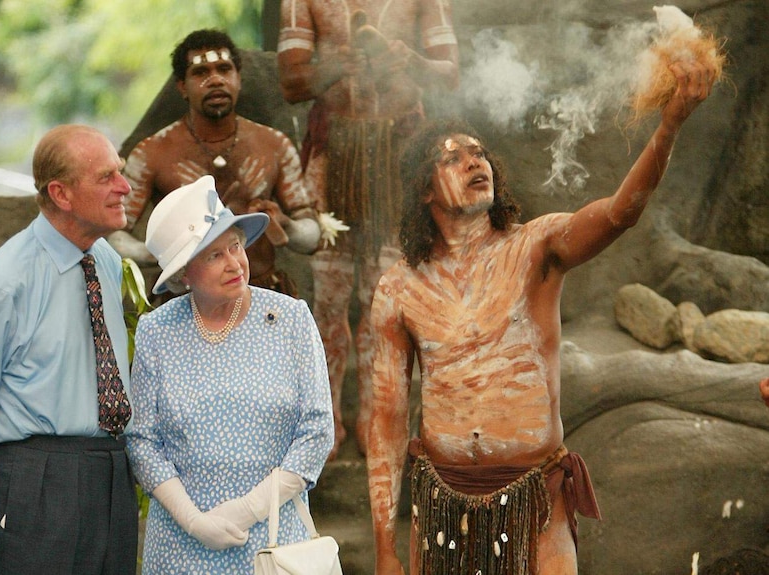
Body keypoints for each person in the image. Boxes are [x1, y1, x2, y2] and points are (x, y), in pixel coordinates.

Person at [366, 59, 717, 575]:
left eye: (479, 153)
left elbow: (621, 212)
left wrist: (668, 127)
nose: (472, 162)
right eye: (453, 158)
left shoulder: (537, 246)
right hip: (441, 508)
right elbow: (388, 419)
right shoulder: (399, 287)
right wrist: (383, 547)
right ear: (424, 189)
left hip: (535, 504)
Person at [0, 124, 138, 575]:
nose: (125, 187)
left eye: (120, 173)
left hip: (111, 470)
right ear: (61, 194)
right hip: (39, 478)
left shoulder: (103, 260)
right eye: (107, 177)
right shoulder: (6, 280)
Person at [277, 0, 460, 457]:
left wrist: (410, 60)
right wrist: (338, 65)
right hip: (334, 151)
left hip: (400, 153)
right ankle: (326, 421)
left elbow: (450, 72)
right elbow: (291, 81)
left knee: (384, 297)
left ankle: (377, 416)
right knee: (329, 294)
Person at [126, 174, 334, 573]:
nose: (234, 263)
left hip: (272, 541)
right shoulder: (157, 331)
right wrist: (193, 520)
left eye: (235, 246)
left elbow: (317, 431)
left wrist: (246, 510)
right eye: (213, 255)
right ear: (184, 274)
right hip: (179, 545)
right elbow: (143, 441)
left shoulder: (290, 320)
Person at [117, 28, 321, 297]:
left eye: (224, 69)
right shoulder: (152, 153)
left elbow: (312, 236)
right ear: (182, 86)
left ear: (238, 79)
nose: (215, 80)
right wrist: (165, 253)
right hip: (187, 303)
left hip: (261, 295)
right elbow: (115, 234)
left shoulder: (274, 145)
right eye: (201, 73)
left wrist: (288, 225)